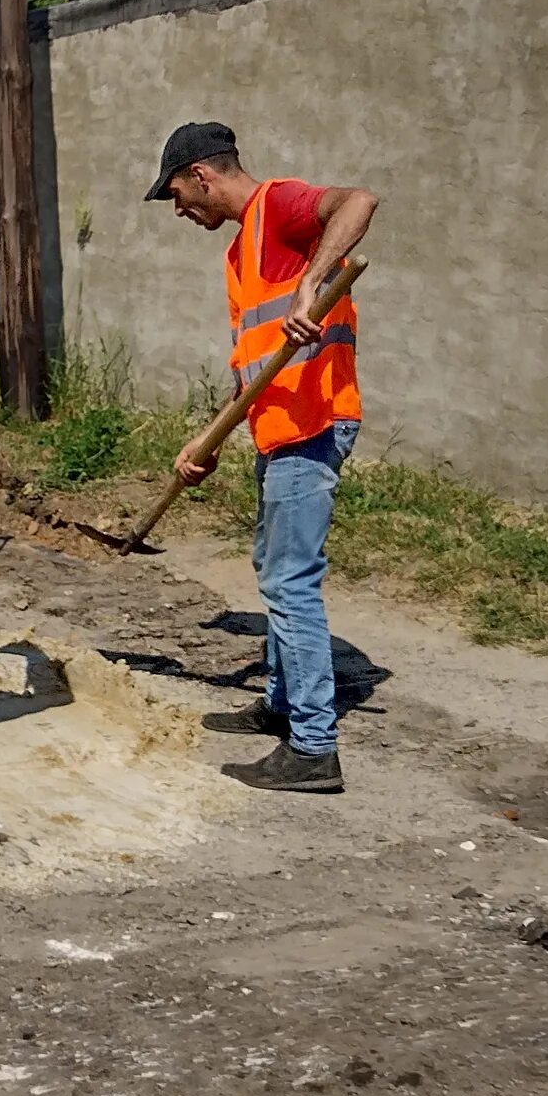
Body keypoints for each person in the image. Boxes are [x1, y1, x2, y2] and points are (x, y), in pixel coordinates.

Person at [149, 121, 377, 794]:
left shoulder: (276, 206)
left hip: (313, 420)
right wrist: (211, 440)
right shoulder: (240, 252)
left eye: (178, 195)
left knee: (289, 581)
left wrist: (313, 282)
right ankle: (281, 704)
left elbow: (359, 201)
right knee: (271, 567)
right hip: (278, 424)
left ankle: (312, 745)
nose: (181, 211)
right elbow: (254, 360)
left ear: (203, 175)